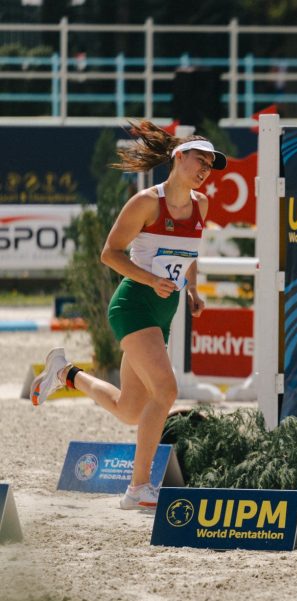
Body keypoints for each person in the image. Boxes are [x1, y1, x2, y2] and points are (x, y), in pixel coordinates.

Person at [30, 120, 226, 510]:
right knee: (167, 392)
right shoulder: (147, 203)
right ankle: (138, 488)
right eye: (200, 160)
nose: (205, 169)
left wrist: (194, 290)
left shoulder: (202, 205)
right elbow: (109, 254)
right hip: (134, 303)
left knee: (131, 410)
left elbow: (188, 253)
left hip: (164, 307)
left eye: (211, 165)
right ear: (178, 157)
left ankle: (65, 372)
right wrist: (152, 280)